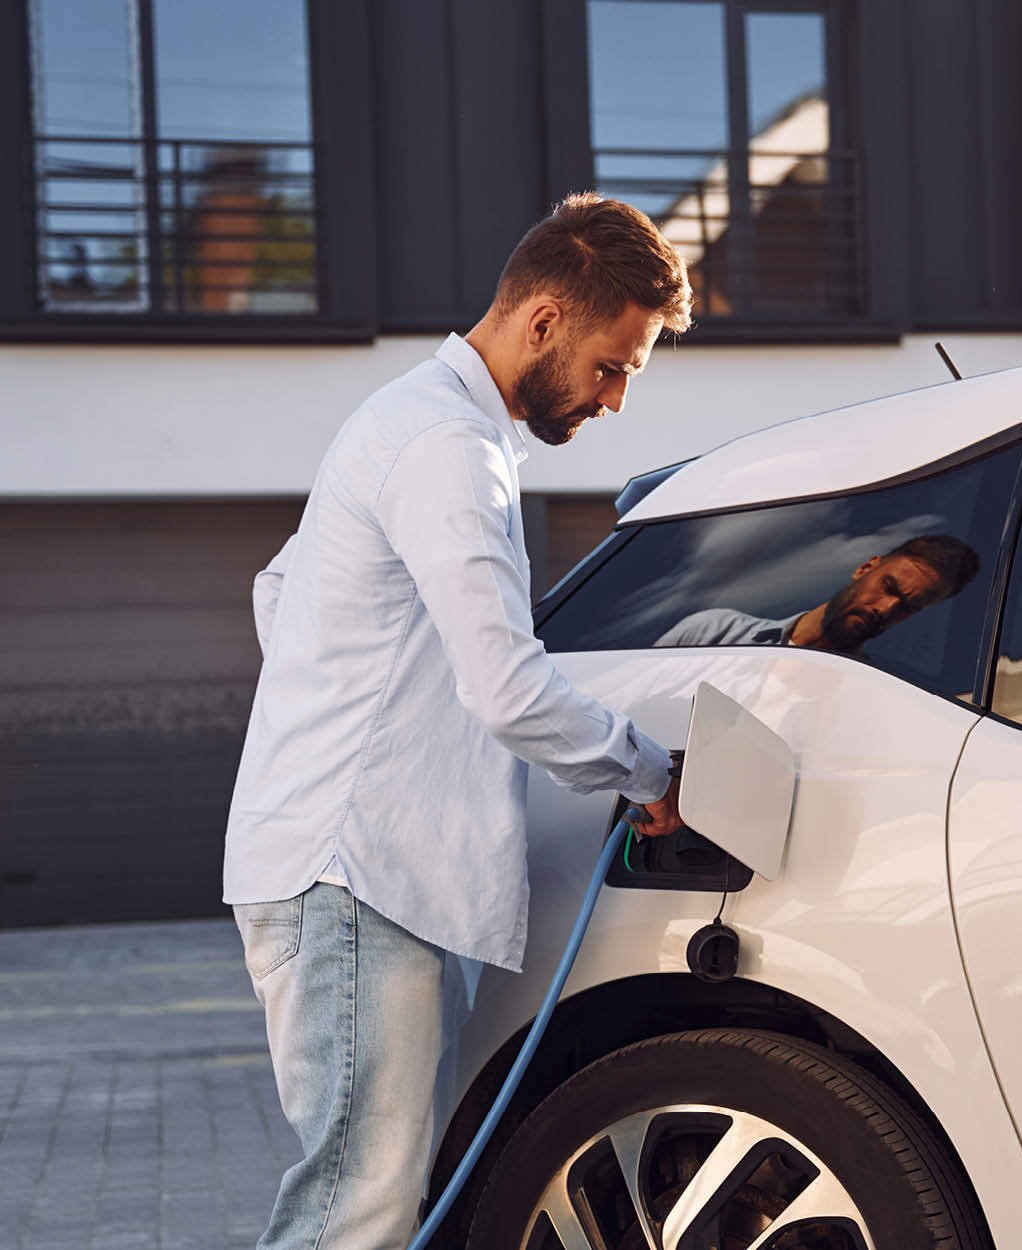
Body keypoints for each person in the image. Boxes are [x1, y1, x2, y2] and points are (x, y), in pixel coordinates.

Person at [223, 193, 690, 1248]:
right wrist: (644, 768)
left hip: (359, 874)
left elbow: (277, 593)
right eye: (612, 365)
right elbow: (508, 687)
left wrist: (351, 700)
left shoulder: (413, 421)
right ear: (541, 323)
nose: (614, 399)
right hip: (356, 881)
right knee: (357, 1211)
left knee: (382, 1203)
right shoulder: (447, 445)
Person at [657, 534, 980, 653]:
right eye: (889, 587)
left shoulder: (865, 696)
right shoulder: (715, 631)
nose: (886, 609)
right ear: (865, 568)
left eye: (908, 607)